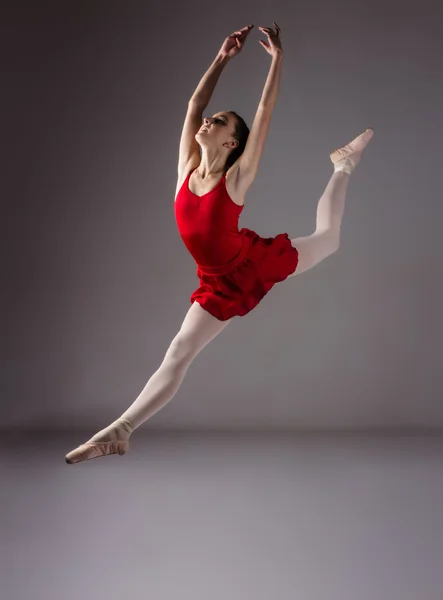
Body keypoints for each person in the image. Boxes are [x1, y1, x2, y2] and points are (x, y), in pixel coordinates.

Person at [65, 23, 374, 464]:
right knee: (178, 352)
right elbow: (195, 104)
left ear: (232, 142)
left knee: (329, 240)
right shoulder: (186, 170)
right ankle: (119, 430)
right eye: (213, 118)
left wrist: (277, 61)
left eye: (220, 121)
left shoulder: (235, 179)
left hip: (251, 263)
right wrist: (222, 58)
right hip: (214, 281)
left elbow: (264, 111)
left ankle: (342, 167)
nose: (208, 120)